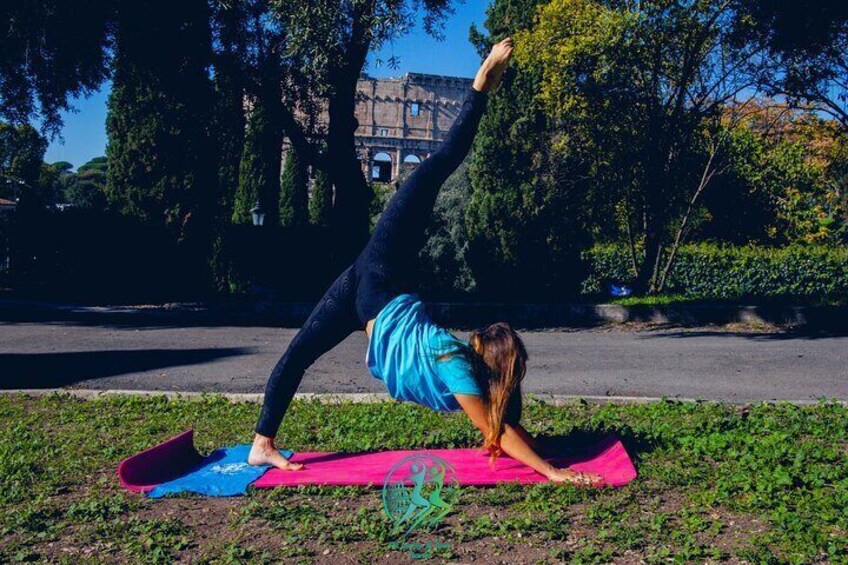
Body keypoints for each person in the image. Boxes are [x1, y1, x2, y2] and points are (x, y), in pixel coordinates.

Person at [248, 38, 603, 487]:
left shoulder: (465, 371)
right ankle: (480, 85)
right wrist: (550, 469)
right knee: (436, 168)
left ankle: (263, 441)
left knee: (299, 353)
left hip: (374, 287)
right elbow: (497, 429)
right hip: (380, 279)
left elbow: (500, 426)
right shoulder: (460, 370)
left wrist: (538, 453)